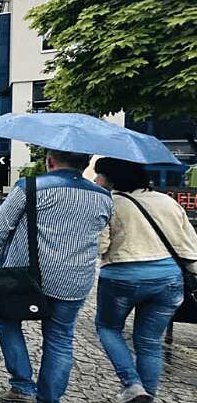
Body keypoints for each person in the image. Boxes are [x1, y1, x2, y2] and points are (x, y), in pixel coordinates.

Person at [0, 149, 113, 403]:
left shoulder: (30, 187)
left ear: (50, 161)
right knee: (60, 339)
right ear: (85, 165)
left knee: (7, 320)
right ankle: (48, 399)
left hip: (24, 277)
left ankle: (21, 386)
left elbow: (1, 224)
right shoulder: (103, 197)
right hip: (74, 280)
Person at [93, 158, 197, 403]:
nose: (96, 180)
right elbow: (189, 245)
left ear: (110, 178)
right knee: (150, 342)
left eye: (99, 175)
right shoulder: (167, 202)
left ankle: (133, 385)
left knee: (108, 328)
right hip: (168, 280)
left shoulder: (110, 203)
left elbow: (101, 245)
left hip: (121, 277)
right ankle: (147, 395)